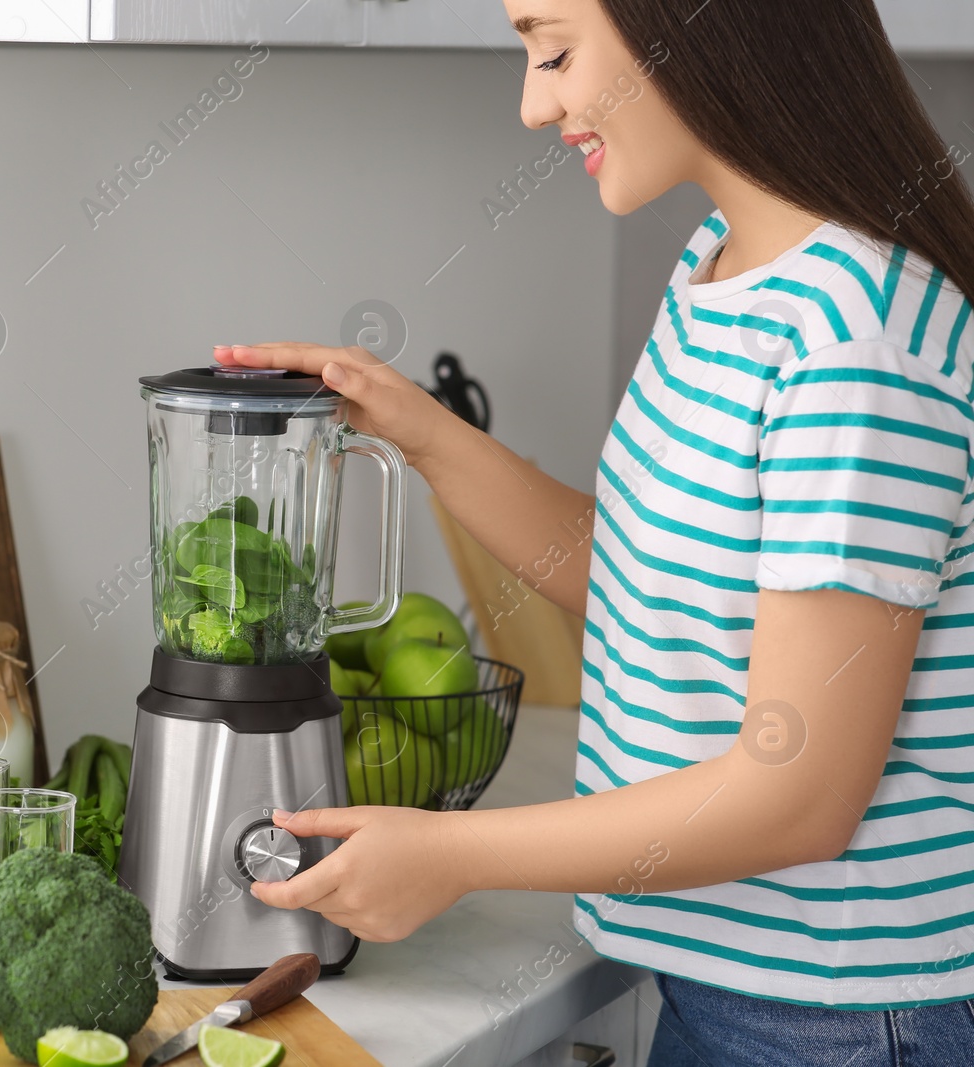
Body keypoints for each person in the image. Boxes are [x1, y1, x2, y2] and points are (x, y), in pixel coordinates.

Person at [216, 0, 974, 1063]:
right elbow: (644, 575)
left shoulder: (854, 337)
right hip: (732, 985)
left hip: (839, 1015)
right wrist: (416, 429)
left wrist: (455, 853)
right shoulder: (723, 266)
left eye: (555, 49)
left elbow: (796, 792)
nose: (534, 104)